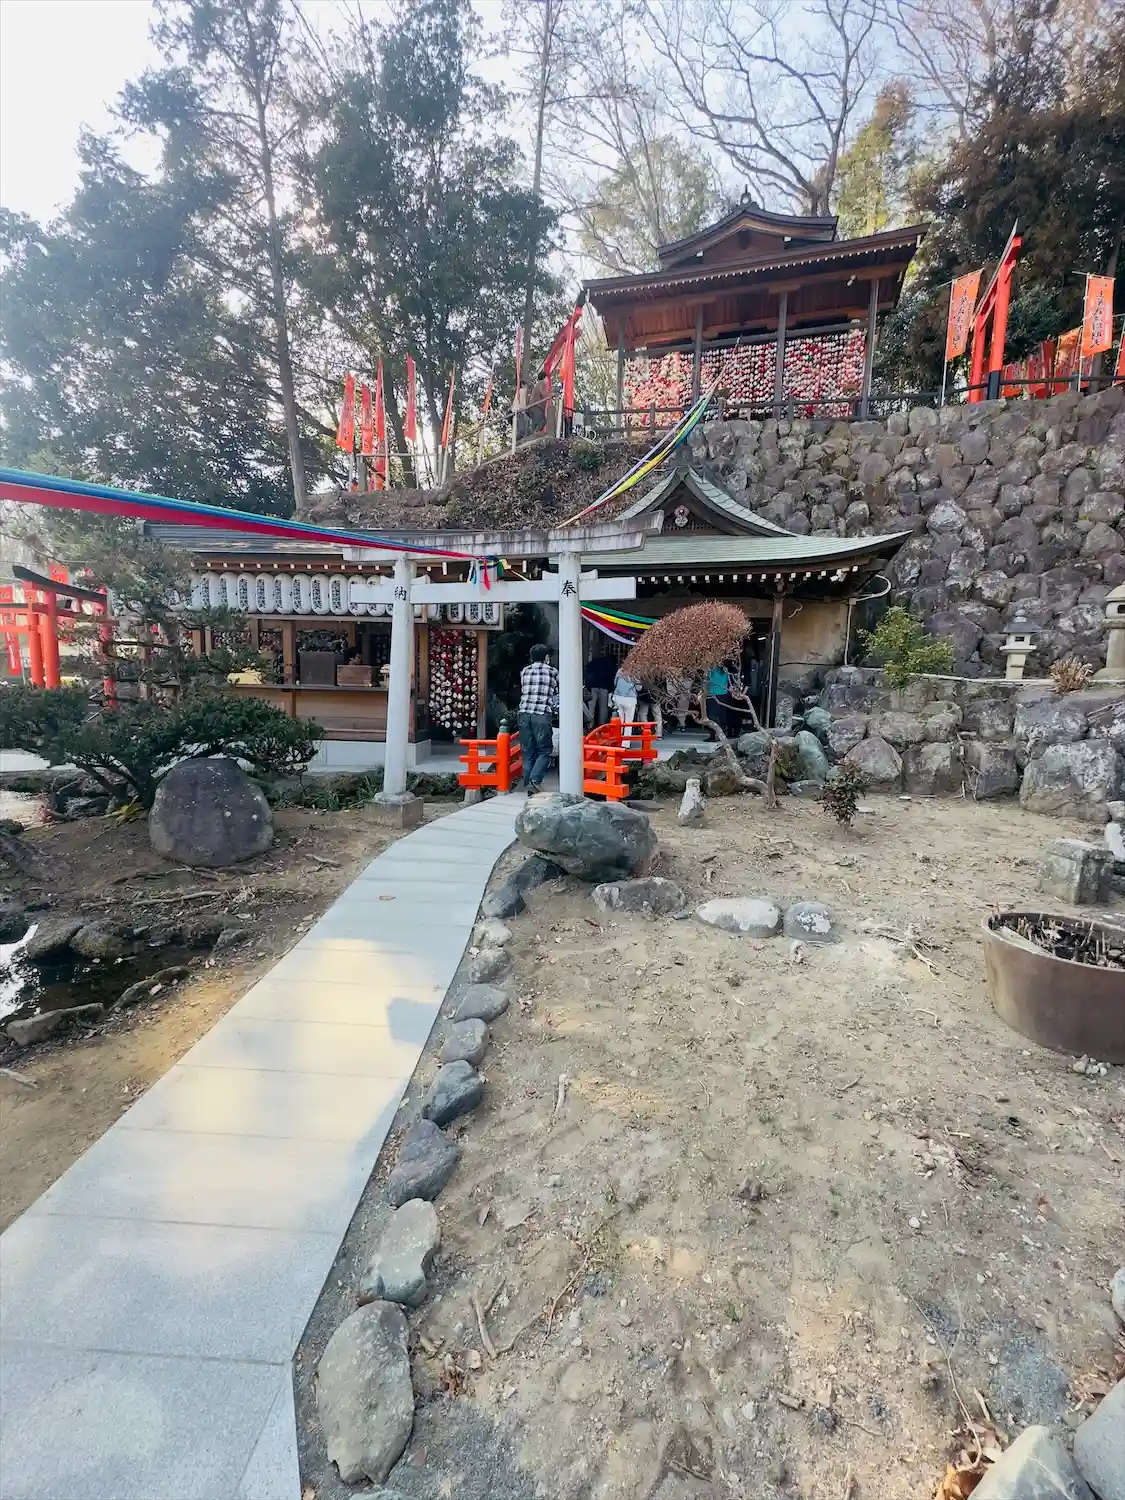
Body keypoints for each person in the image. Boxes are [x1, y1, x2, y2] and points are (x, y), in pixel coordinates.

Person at [517, 643, 558, 794]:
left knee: (528, 752)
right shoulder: (552, 671)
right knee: (545, 750)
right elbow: (557, 690)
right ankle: (535, 779)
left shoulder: (524, 671)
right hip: (541, 714)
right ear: (546, 657)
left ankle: (530, 787)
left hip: (524, 714)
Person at [583, 652, 617, 726]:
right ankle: (602, 726)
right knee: (603, 708)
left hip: (592, 686)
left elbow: (587, 670)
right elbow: (612, 677)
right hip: (604, 687)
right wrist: (611, 689)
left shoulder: (595, 661)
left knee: (591, 707)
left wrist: (587, 684)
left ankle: (589, 725)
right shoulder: (611, 664)